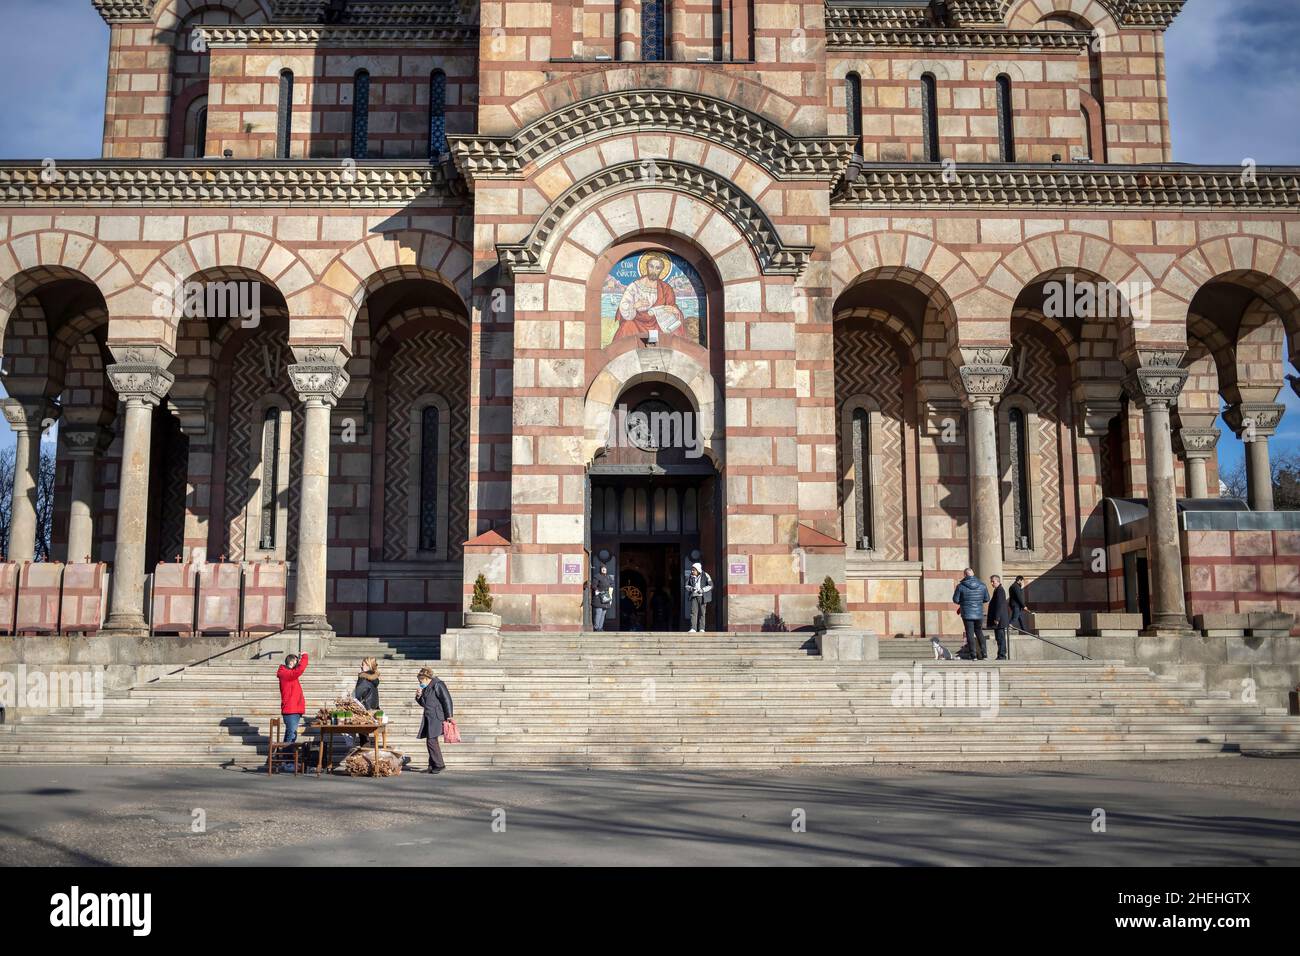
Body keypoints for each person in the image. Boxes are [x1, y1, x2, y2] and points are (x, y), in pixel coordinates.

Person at [415, 666, 454, 774]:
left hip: (437, 717)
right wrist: (419, 696)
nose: (420, 683)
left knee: (431, 741)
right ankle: (432, 765)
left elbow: (447, 699)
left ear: (427, 678)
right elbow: (424, 704)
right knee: (431, 740)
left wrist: (449, 715)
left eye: (421, 680)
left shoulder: (438, 684)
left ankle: (439, 764)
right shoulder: (426, 688)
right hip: (429, 717)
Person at [952, 569, 990, 661]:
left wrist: (964, 602)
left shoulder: (960, 586)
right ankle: (984, 654)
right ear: (973, 574)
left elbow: (955, 600)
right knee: (979, 632)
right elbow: (987, 598)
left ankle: (973, 654)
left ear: (965, 575)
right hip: (978, 613)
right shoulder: (982, 585)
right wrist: (978, 602)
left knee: (969, 633)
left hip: (967, 613)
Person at [277, 652, 309, 743]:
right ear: (291, 662)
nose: (297, 663)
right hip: (291, 710)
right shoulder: (285, 674)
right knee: (291, 736)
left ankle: (284, 754)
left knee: (290, 734)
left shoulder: (289, 673)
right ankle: (287, 756)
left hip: (294, 709)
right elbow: (300, 669)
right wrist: (305, 656)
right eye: (296, 661)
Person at [685, 562, 713, 633]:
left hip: (702, 597)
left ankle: (701, 628)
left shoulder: (705, 575)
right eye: (692, 570)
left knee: (702, 613)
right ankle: (693, 628)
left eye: (694, 570)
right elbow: (686, 586)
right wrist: (692, 589)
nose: (692, 571)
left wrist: (702, 590)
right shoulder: (690, 576)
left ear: (698, 570)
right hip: (694, 596)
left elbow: (711, 585)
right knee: (693, 613)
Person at [987, 575, 1010, 661]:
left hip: (1000, 620)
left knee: (1000, 638)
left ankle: (1002, 655)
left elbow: (999, 606)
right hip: (1000, 619)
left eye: (993, 581)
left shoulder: (1000, 590)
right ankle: (1000, 654)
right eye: (991, 582)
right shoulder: (998, 590)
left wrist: (997, 618)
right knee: (999, 638)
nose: (992, 583)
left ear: (998, 581)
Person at [592, 565, 615, 632]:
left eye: (605, 568)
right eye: (603, 568)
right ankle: (596, 628)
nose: (604, 569)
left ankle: (600, 627)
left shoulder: (608, 577)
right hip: (599, 597)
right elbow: (594, 585)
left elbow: (611, 584)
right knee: (598, 612)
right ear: (600, 569)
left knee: (603, 613)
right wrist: (598, 590)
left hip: (606, 597)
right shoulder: (597, 576)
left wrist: (611, 588)